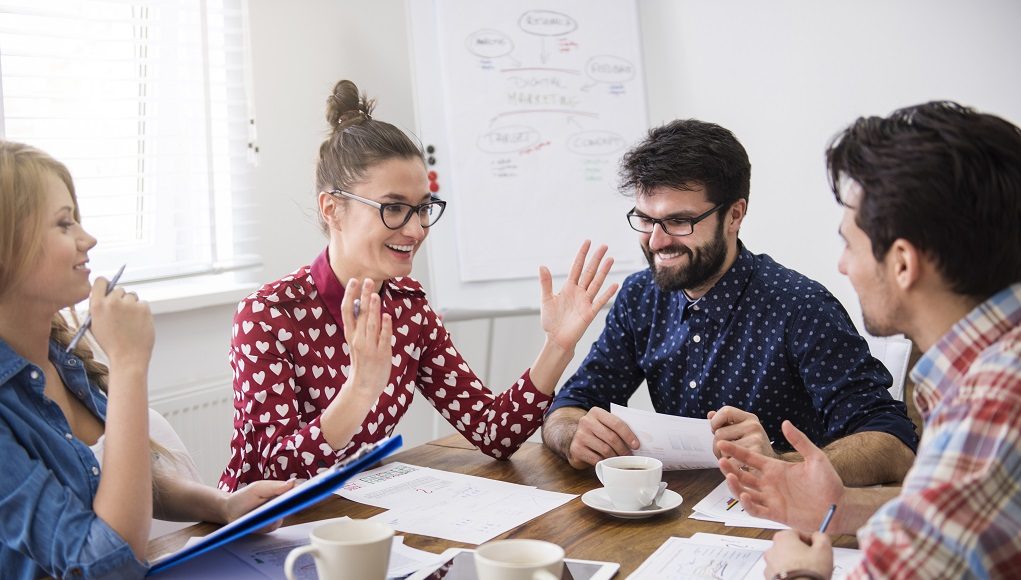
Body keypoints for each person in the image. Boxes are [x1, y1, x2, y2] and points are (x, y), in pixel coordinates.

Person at [218, 80, 617, 491]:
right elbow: (272, 472)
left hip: (360, 519)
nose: (415, 229)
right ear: (332, 208)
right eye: (393, 208)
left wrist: (557, 346)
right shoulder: (268, 315)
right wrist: (358, 392)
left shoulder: (408, 307)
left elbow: (494, 433)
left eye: (423, 208)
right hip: (264, 534)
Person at [718, 101, 1021, 578]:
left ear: (902, 263)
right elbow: (946, 506)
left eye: (848, 243)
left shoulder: (996, 401)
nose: (843, 266)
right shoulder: (988, 365)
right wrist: (840, 505)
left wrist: (800, 573)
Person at [541, 119, 918, 486]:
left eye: (679, 222)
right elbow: (570, 406)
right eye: (645, 219)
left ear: (734, 215)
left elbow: (894, 445)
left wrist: (781, 466)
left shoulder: (800, 306)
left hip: (783, 528)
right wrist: (573, 433)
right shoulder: (641, 296)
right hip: (677, 518)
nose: (656, 241)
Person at [0, 141, 295, 579]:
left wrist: (223, 504)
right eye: (65, 224)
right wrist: (129, 365)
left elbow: (124, 481)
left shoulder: (60, 357)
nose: (89, 239)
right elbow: (109, 564)